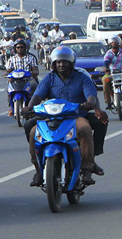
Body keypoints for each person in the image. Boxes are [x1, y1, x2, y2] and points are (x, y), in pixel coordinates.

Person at [23, 46, 97, 186]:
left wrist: (89, 103)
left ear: (71, 63)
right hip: (51, 118)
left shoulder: (81, 78)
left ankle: (87, 169)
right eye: (58, 62)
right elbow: (37, 96)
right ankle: (38, 170)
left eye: (65, 62)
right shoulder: (49, 79)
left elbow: (91, 96)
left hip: (74, 117)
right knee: (34, 133)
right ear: (53, 64)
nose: (61, 65)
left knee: (85, 129)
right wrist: (29, 107)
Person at [6, 39, 39, 115]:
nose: (20, 49)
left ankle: (34, 107)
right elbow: (9, 70)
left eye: (22, 47)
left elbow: (36, 70)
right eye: (18, 47)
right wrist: (7, 74)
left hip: (28, 80)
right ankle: (12, 107)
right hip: (16, 81)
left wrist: (33, 73)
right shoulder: (12, 59)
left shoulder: (31, 58)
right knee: (9, 91)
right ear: (15, 48)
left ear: (25, 48)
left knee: (35, 86)